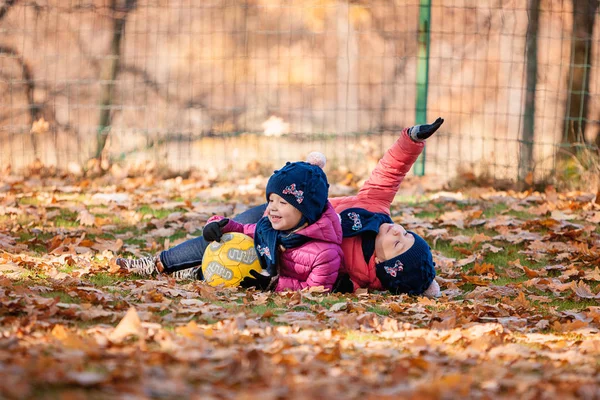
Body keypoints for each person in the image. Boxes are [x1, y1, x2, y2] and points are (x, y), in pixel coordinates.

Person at [118, 118, 443, 296]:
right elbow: (390, 172)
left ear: (385, 264)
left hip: (286, 252)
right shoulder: (376, 210)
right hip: (291, 209)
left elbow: (313, 283)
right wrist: (411, 140)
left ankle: (198, 272)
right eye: (407, 233)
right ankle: (158, 263)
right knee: (236, 224)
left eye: (398, 242)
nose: (399, 230)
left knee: (238, 262)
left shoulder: (354, 278)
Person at [118, 160, 344, 291]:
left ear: (306, 212)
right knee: (225, 241)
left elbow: (315, 289)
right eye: (270, 200)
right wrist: (218, 225)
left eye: (282, 202)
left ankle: (195, 274)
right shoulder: (270, 228)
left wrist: (275, 284)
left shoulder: (324, 252)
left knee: (232, 268)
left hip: (265, 277)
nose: (272, 208)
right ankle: (159, 264)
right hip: (256, 270)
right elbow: (243, 229)